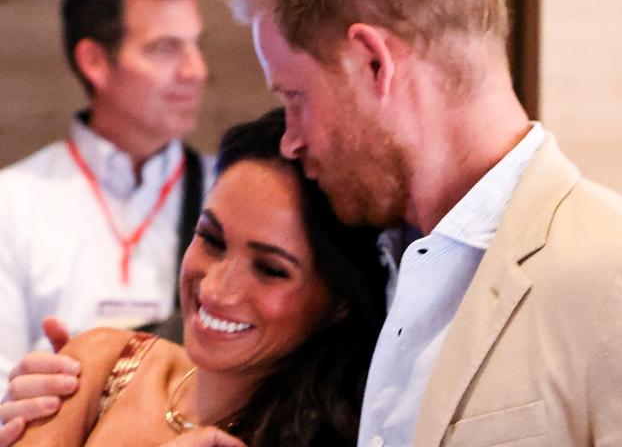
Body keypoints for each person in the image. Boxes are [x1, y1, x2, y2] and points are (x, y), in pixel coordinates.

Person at [5, 0, 622, 445]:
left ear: (374, 63)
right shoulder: (390, 255)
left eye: (294, 96)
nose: (290, 137)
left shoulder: (617, 274)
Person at [13, 109, 387, 446]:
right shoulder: (106, 363)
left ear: (339, 300)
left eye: (270, 270)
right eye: (211, 240)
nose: (215, 288)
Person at [0, 0, 212, 396]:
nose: (196, 71)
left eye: (196, 45)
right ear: (95, 61)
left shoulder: (227, 190)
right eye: (165, 48)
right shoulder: (12, 202)